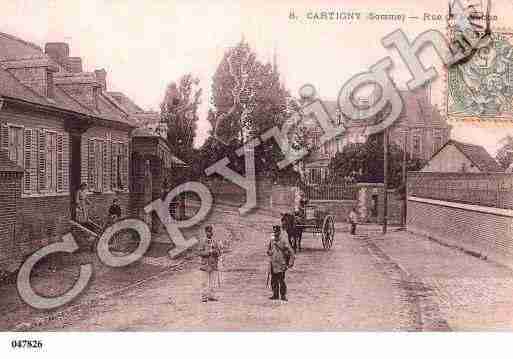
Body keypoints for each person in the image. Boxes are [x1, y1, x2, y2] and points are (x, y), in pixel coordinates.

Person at [267, 225, 295, 301]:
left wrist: (290, 262)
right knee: (273, 280)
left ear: (279, 232)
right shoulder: (272, 240)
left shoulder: (284, 240)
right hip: (273, 264)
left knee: (281, 280)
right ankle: (275, 294)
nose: (275, 234)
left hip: (281, 264)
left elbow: (291, 252)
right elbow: (269, 249)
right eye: (274, 232)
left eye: (277, 232)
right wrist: (269, 252)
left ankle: (283, 295)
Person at [197, 225, 222, 302]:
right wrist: (208, 252)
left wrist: (215, 252)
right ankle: (204, 297)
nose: (210, 233)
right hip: (205, 265)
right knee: (204, 282)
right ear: (205, 232)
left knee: (213, 282)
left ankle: (212, 296)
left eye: (211, 232)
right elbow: (199, 252)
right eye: (208, 232)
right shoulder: (202, 242)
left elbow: (219, 252)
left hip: (213, 265)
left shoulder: (215, 242)